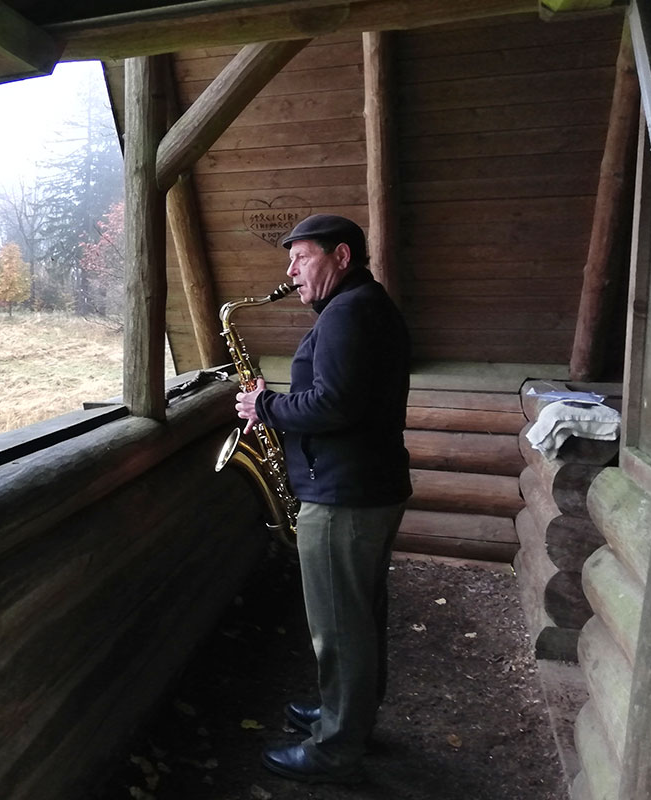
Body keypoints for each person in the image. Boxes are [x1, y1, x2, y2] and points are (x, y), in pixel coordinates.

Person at [235, 213, 412, 784]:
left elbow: (334, 405)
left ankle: (336, 748)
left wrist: (264, 406)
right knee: (359, 614)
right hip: (366, 489)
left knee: (339, 626)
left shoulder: (348, 313)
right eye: (289, 259)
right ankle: (349, 714)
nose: (291, 270)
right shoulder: (364, 306)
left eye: (301, 257)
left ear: (341, 256)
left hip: (344, 498)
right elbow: (340, 396)